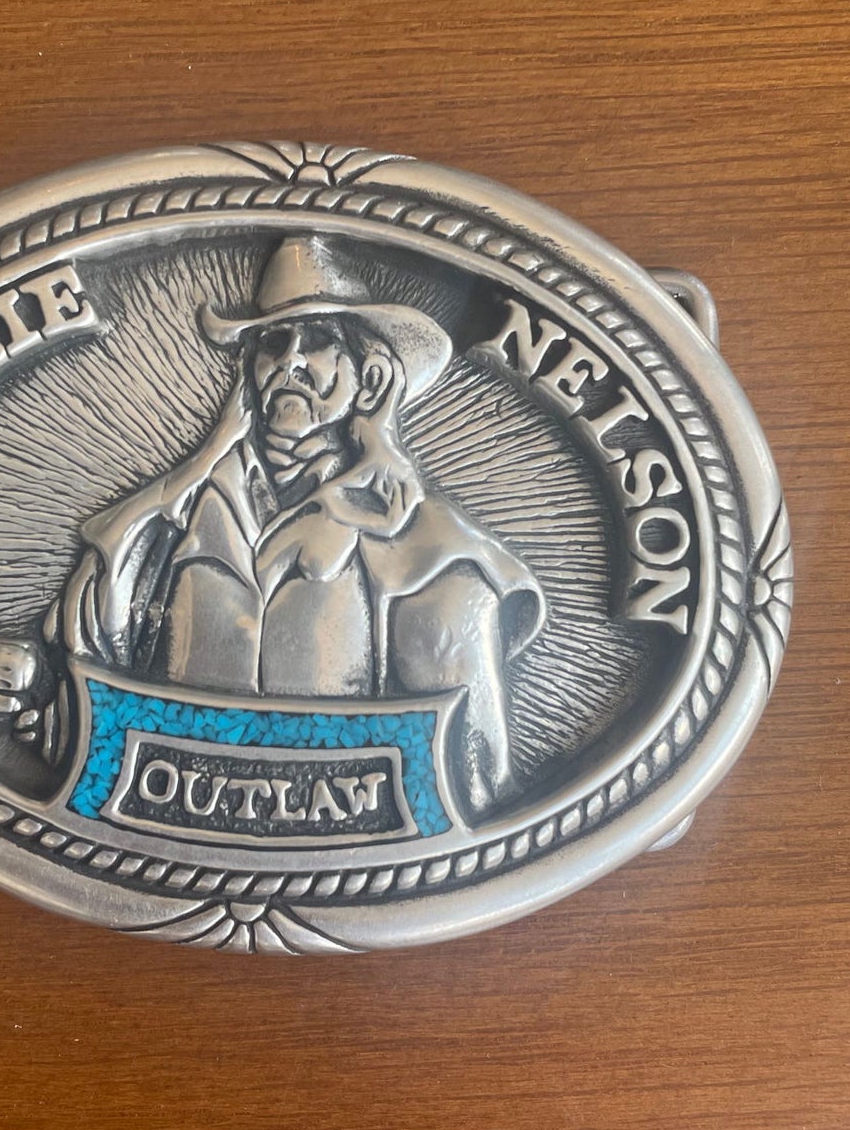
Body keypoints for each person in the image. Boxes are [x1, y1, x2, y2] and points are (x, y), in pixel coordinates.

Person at [44, 236, 545, 818]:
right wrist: (203, 459)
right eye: (273, 344)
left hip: (352, 831)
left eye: (320, 342)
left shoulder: (432, 545)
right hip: (168, 809)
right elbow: (90, 629)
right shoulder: (183, 509)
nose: (291, 363)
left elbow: (471, 780)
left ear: (370, 380)